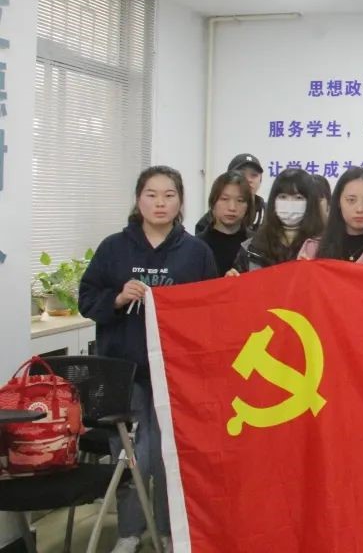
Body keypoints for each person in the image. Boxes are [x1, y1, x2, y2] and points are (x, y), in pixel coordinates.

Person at [78, 166, 217, 553]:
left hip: (176, 375)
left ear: (180, 201)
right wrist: (118, 298)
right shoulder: (113, 248)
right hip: (125, 373)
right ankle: (129, 531)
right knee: (133, 456)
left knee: (171, 456)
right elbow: (87, 299)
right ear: (138, 200)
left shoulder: (196, 252)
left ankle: (171, 530)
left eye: (169, 195)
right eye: (151, 195)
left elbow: (210, 311)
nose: (160, 203)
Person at [232, 169, 323, 272]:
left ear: (310, 202)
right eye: (283, 197)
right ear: (273, 201)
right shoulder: (251, 248)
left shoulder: (323, 247)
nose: (289, 204)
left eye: (298, 198)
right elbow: (240, 279)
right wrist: (232, 278)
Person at [198, 170, 255, 277]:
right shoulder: (196, 246)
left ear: (248, 206)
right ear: (213, 202)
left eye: (240, 200)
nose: (232, 207)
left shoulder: (256, 245)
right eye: (224, 199)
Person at [194, 153, 265, 234]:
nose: (249, 180)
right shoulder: (207, 222)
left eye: (254, 175)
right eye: (242, 174)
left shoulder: (269, 215)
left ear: (260, 180)